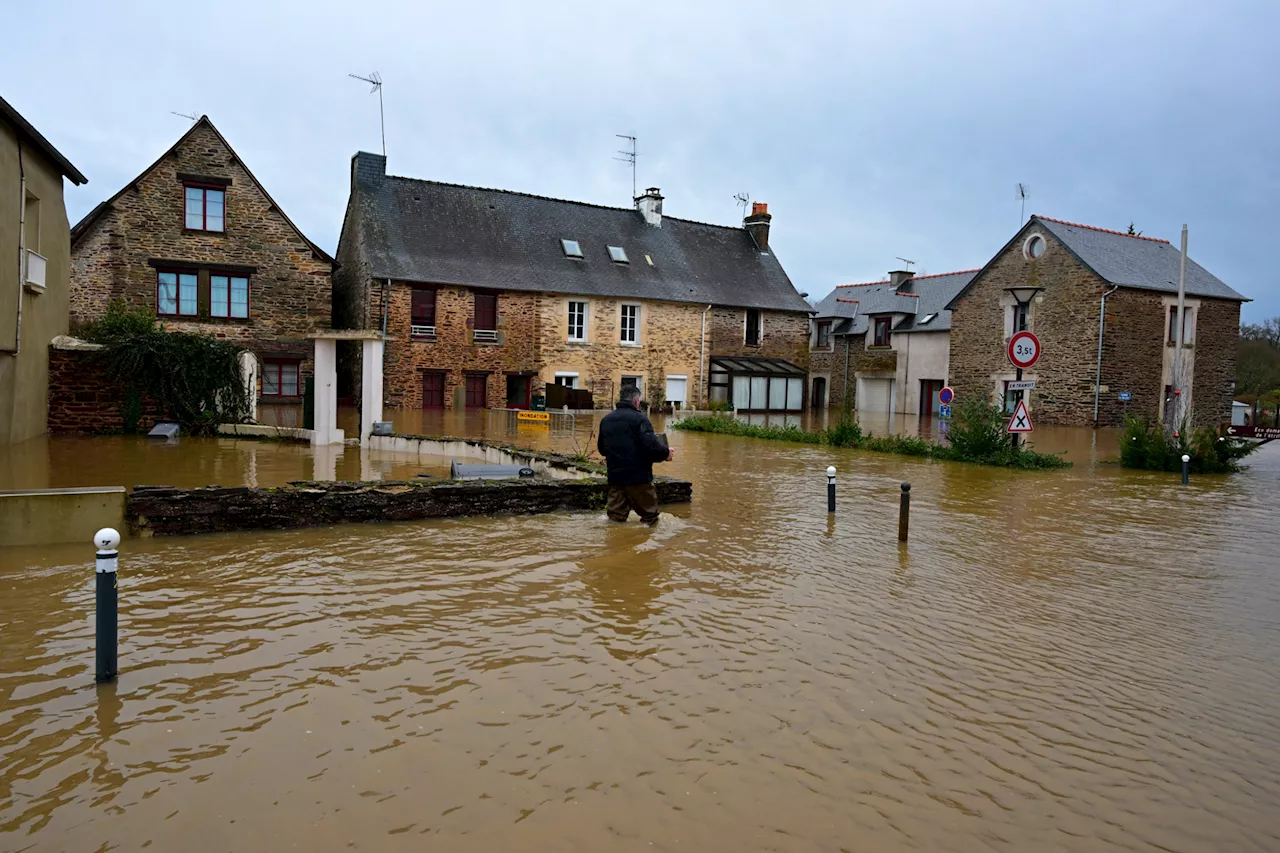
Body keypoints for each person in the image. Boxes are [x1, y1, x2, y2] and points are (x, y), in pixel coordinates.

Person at [596, 385, 674, 524]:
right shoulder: (640, 420)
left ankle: (614, 544)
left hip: (616, 478)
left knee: (615, 519)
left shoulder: (606, 420)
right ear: (637, 402)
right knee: (650, 518)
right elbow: (651, 447)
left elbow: (602, 449)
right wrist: (666, 453)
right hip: (639, 479)